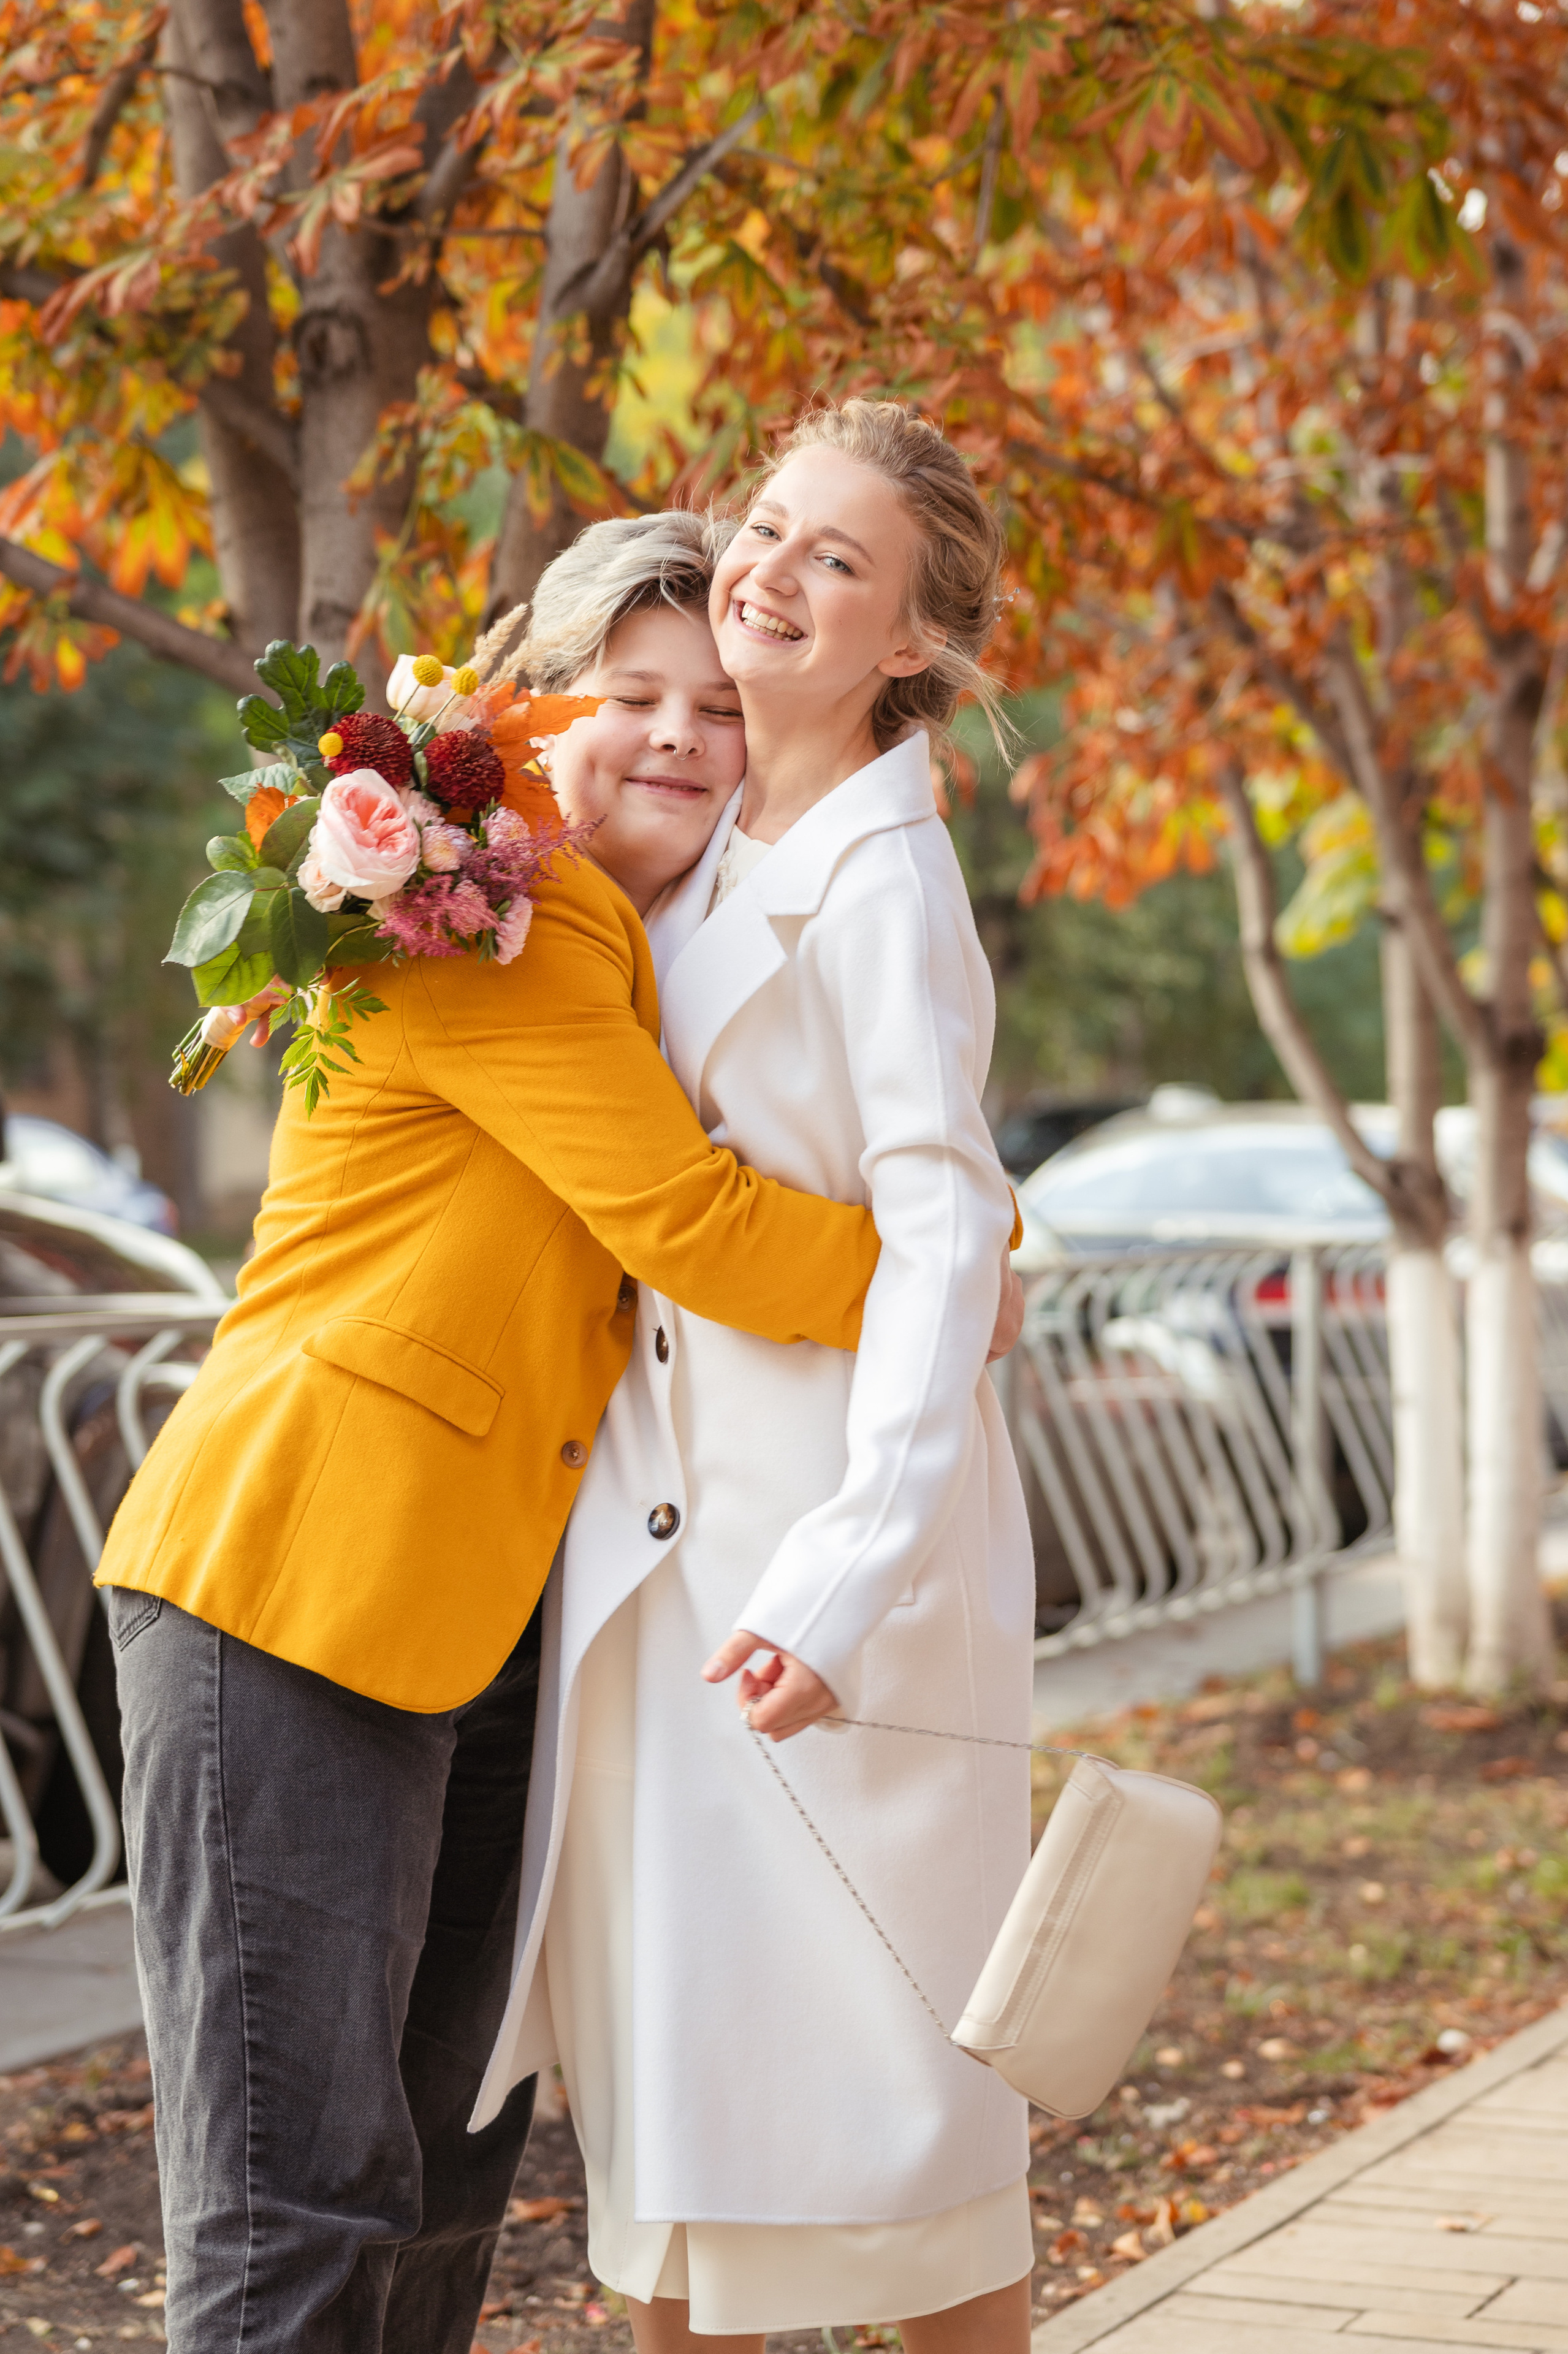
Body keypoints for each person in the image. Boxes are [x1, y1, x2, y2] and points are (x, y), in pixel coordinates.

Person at [94, 508, 1020, 2354]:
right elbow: (689, 1224)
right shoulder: (490, 919)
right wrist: (949, 1255)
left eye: (714, 709)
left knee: (441, 2183)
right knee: (299, 2197)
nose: (678, 735)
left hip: (481, 1624)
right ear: (535, 706)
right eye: (631, 696)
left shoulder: (633, 938)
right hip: (292, 1581)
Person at [474, 403, 1038, 2354]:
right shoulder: (705, 857)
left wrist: (837, 1586)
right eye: (772, 528)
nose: (776, 574)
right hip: (657, 1587)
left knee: (906, 2155)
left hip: (819, 1596)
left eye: (838, 562)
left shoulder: (886, 879)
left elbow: (948, 1238)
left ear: (906, 643)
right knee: (681, 2158)